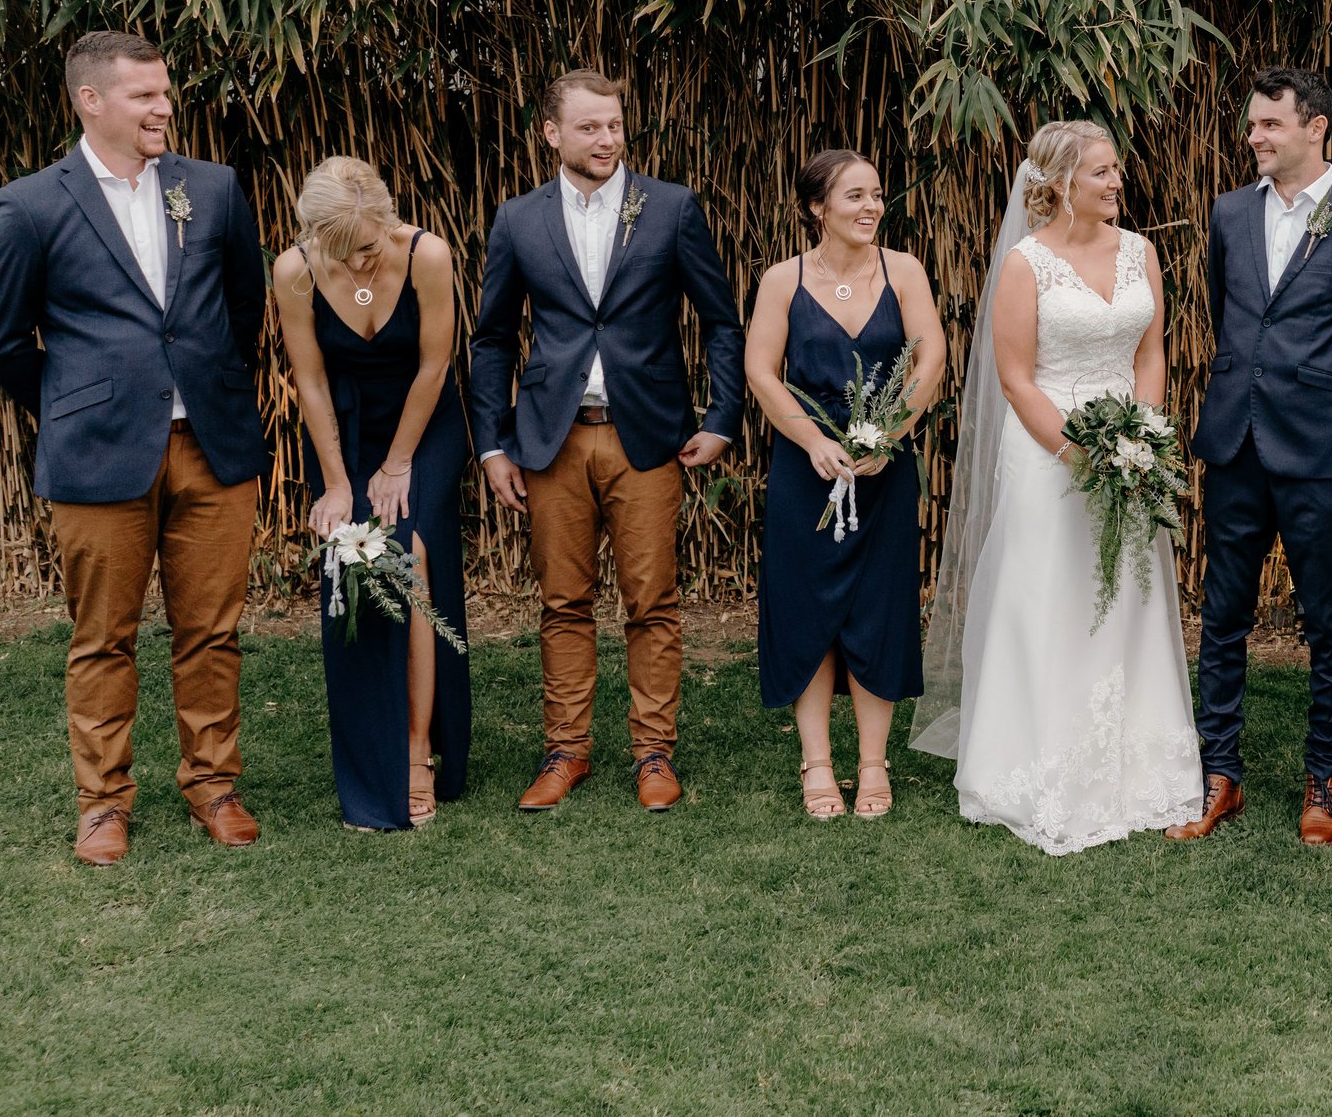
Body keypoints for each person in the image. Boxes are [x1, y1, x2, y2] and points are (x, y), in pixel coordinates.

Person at [0, 31, 270, 865]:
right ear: (89, 102)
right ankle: (103, 803)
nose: (164, 107)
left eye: (165, 92)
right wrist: (70, 405)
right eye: (144, 96)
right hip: (97, 455)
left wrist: (205, 382)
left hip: (211, 445)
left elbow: (243, 305)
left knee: (210, 631)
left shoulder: (211, 188)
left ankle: (214, 786)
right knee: (103, 635)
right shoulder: (31, 204)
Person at [910, 121, 1202, 854]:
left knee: (1125, 594)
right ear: (1062, 184)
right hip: (1049, 448)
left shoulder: (1141, 252)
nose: (1116, 182)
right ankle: (1034, 766)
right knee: (1050, 593)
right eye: (1101, 173)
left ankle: (1133, 767)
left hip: (1128, 447)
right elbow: (1015, 377)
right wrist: (1082, 453)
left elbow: (1151, 351)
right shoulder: (1025, 264)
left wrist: (1143, 437)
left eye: (1116, 171)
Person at [470, 69, 745, 814]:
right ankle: (567, 751)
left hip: (645, 436)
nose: (607, 139)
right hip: (553, 438)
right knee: (562, 603)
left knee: (652, 600)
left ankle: (654, 753)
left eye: (615, 125)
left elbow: (721, 320)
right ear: (553, 133)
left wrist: (722, 419)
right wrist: (494, 446)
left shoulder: (671, 208)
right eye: (590, 127)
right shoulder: (518, 219)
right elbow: (492, 338)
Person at [1170, 69, 1332, 847]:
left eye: (1270, 124)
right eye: (1253, 125)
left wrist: (1317, 398)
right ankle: (1218, 773)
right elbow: (1224, 308)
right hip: (1233, 442)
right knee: (1223, 616)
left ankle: (1324, 778)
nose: (1255, 137)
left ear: (1316, 128)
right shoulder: (1229, 212)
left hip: (1317, 450)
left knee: (1327, 621)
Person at [745, 150, 946, 820]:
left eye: (877, 195)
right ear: (816, 207)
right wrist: (814, 442)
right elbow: (762, 372)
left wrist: (889, 437)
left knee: (880, 612)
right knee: (806, 613)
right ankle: (818, 764)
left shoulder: (905, 272)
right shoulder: (782, 280)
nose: (870, 207)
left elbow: (930, 357)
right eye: (854, 196)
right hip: (806, 476)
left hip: (886, 476)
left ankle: (872, 762)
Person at [273, 157, 471, 832]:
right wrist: (336, 483)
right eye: (344, 253)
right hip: (345, 432)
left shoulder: (426, 255)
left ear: (386, 221)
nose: (361, 266)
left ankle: (417, 753)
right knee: (356, 560)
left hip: (425, 425)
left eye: (368, 247)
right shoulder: (293, 271)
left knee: (406, 552)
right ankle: (369, 753)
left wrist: (398, 463)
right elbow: (312, 380)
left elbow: (435, 364)